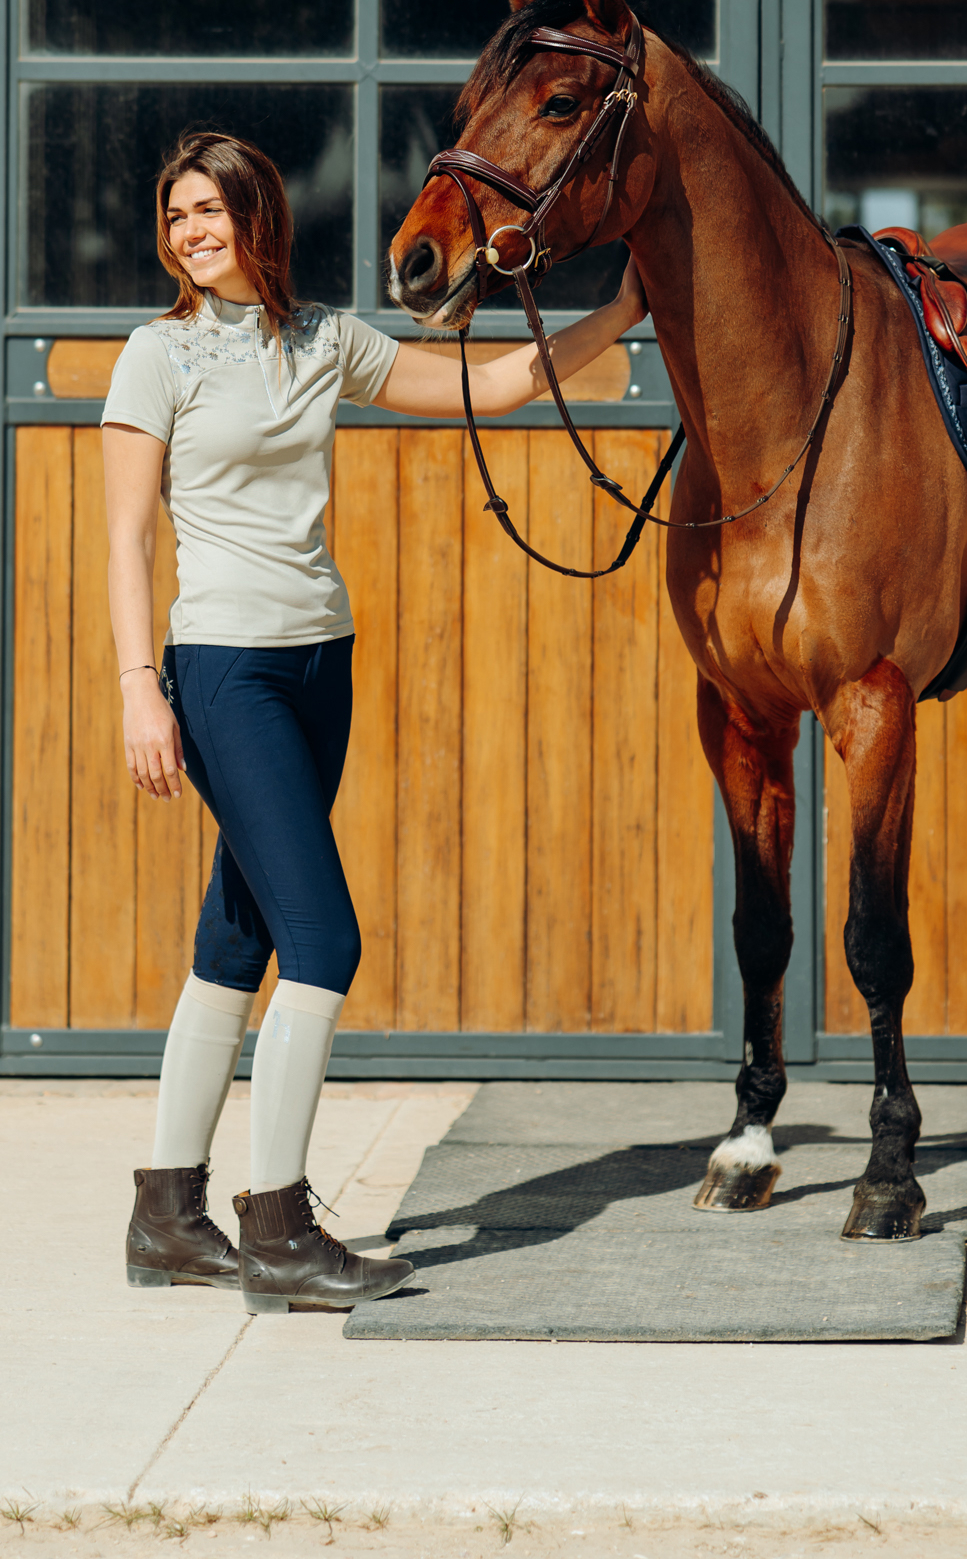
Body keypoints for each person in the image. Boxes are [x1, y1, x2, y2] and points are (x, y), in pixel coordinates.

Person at [104, 128, 645, 1315]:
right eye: (177, 213)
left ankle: (165, 1215)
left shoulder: (319, 341)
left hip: (317, 665)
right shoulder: (159, 355)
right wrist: (142, 684)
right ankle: (282, 1227)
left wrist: (624, 308)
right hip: (222, 667)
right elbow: (127, 538)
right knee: (324, 939)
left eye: (212, 209)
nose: (193, 231)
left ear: (261, 219)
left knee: (236, 941)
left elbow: (490, 386)